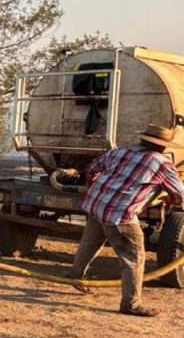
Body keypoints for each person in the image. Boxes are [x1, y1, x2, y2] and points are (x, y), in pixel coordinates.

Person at [70, 123, 184, 317]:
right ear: (162, 145)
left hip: (97, 205)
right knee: (135, 258)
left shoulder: (120, 151)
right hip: (120, 214)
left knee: (90, 243)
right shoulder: (161, 163)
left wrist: (93, 188)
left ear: (143, 139)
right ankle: (131, 304)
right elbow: (179, 195)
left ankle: (76, 276)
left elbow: (92, 169)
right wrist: (170, 198)